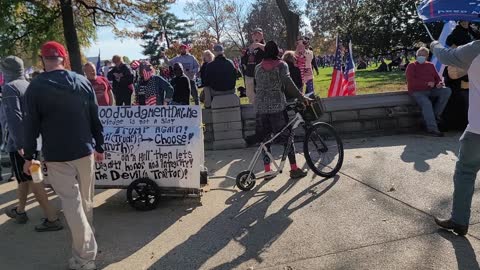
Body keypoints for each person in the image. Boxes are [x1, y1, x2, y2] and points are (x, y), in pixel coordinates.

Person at [23, 41, 104, 270]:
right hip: (84, 150)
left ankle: (85, 256)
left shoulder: (36, 87)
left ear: (43, 60)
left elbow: (31, 125)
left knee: (72, 204)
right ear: (64, 58)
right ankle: (87, 237)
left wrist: (29, 155)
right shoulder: (81, 81)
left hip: (57, 154)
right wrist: (100, 145)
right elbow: (94, 116)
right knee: (85, 200)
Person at [0, 56, 63, 230]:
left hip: (21, 145)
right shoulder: (30, 85)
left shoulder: (10, 88)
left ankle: (52, 218)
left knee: (35, 181)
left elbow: (14, 119)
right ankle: (20, 211)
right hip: (35, 141)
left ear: (6, 70)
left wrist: (22, 147)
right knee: (24, 178)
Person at [430, 40, 480, 236]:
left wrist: (435, 45)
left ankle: (459, 220)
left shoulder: (476, 48)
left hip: (478, 129)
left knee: (465, 173)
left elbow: (446, 57)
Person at [254, 40, 308, 180]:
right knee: (288, 138)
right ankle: (294, 169)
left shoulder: (258, 67)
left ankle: (267, 170)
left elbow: (257, 86)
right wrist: (301, 97)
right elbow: (288, 84)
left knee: (265, 141)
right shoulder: (281, 65)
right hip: (277, 108)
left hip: (260, 108)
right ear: (276, 51)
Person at [405, 47, 451, 136]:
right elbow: (411, 81)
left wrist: (439, 84)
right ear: (416, 55)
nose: (421, 57)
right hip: (417, 91)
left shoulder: (430, 65)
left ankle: (433, 117)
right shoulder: (411, 66)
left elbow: (438, 79)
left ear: (427, 56)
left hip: (431, 90)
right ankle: (432, 129)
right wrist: (427, 83)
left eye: (423, 55)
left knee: (447, 91)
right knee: (427, 103)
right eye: (419, 55)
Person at [241, 28, 265, 104]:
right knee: (251, 97)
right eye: (254, 35)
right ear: (252, 37)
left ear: (262, 35)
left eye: (258, 34)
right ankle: (254, 113)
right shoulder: (249, 48)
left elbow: (271, 52)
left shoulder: (265, 46)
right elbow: (244, 61)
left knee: (262, 96)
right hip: (249, 75)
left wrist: (259, 45)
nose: (256, 36)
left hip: (261, 75)